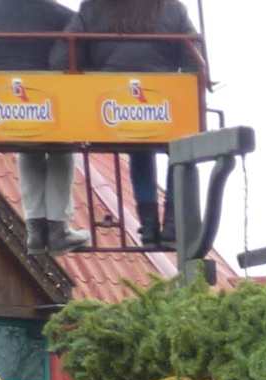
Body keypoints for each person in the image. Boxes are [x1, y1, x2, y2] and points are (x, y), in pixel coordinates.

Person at [0, 0, 86, 252]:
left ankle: (35, 230)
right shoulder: (62, 16)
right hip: (46, 115)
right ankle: (58, 228)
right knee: (61, 147)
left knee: (27, 147)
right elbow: (75, 58)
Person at [71, 0, 199, 248]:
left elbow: (71, 52)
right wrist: (189, 83)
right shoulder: (173, 8)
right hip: (163, 94)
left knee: (139, 148)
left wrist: (90, 80)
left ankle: (149, 227)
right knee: (180, 151)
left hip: (110, 98)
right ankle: (173, 225)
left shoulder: (93, 7)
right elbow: (193, 54)